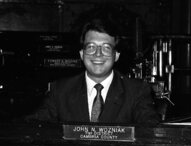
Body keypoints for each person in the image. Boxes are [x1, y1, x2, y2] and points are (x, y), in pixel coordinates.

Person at [26, 15, 161, 125]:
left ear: (116, 56)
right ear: (81, 54)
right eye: (91, 47)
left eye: (106, 47)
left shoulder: (136, 91)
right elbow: (32, 126)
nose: (98, 54)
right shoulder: (60, 90)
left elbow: (150, 131)